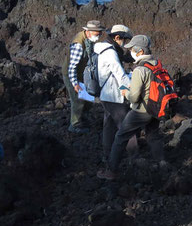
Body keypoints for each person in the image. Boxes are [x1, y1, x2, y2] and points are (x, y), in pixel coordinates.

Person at [97, 35, 165, 180]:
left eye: (133, 49)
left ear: (139, 51)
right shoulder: (156, 63)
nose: (131, 52)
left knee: (120, 137)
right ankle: (162, 163)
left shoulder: (140, 70)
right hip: (157, 107)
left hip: (142, 110)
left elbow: (134, 97)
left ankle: (111, 171)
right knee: (153, 135)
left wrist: (125, 92)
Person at [93, 25, 138, 163]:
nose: (125, 43)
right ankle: (134, 157)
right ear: (117, 37)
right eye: (124, 40)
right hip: (113, 95)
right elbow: (119, 74)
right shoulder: (110, 52)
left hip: (105, 94)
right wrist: (133, 90)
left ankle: (107, 154)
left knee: (109, 125)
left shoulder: (101, 48)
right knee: (127, 126)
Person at [61, 20, 106, 133]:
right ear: (89, 31)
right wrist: (75, 83)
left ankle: (83, 118)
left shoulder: (88, 39)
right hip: (73, 74)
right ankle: (75, 125)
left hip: (83, 73)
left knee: (88, 98)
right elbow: (72, 67)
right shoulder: (78, 44)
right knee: (77, 100)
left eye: (100, 33)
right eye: (97, 33)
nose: (99, 36)